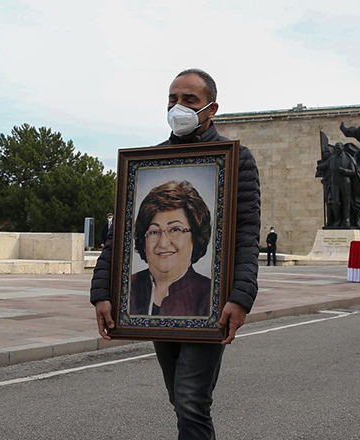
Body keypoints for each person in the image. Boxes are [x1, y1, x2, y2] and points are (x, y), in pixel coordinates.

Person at [90, 68, 261, 440]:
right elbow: (118, 235)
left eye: (189, 100)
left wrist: (240, 297)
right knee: (178, 397)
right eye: (172, 98)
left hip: (210, 307)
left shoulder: (237, 159)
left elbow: (246, 233)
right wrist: (102, 292)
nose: (178, 106)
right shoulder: (147, 162)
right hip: (152, 314)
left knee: (191, 399)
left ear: (211, 109)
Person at [129, 181, 213, 316]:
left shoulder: (211, 295)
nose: (163, 243)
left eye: (175, 229)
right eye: (154, 232)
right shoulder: (126, 288)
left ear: (196, 236)